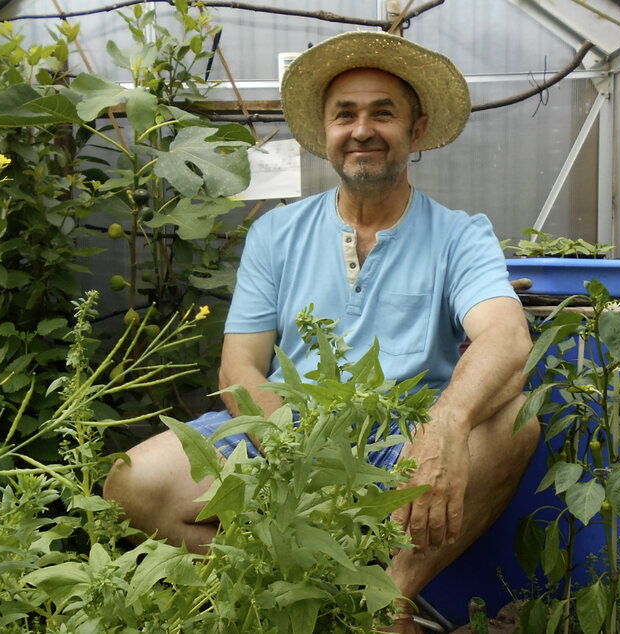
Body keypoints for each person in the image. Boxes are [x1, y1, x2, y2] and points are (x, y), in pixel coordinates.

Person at [103, 30, 540, 632]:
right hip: (282, 434)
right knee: (131, 484)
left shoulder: (460, 234)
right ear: (326, 135)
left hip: (403, 443)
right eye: (345, 115)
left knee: (518, 420)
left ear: (415, 132)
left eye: (382, 113)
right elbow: (240, 370)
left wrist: (444, 425)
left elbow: (507, 338)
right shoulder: (276, 235)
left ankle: (389, 596)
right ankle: (303, 584)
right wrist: (303, 458)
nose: (362, 129)